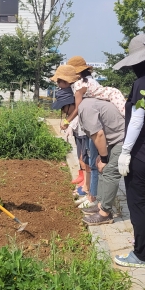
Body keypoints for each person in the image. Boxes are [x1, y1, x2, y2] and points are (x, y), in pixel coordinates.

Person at [110, 34, 145, 268]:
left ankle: (141, 254)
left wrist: (125, 152)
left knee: (136, 204)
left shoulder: (142, 83)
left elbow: (136, 120)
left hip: (140, 152)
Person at [55, 87, 125, 226]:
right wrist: (102, 155)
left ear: (72, 104)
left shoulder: (85, 108)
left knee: (110, 173)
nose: (64, 112)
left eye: (64, 108)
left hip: (122, 139)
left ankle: (105, 214)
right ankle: (101, 205)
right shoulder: (85, 106)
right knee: (102, 170)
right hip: (113, 140)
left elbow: (98, 134)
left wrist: (104, 158)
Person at [51, 65, 91, 198]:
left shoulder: (79, 91)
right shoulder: (73, 89)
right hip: (78, 129)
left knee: (85, 158)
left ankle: (87, 187)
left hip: (85, 130)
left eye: (59, 81)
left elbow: (77, 110)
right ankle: (83, 180)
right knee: (80, 156)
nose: (58, 84)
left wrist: (68, 121)